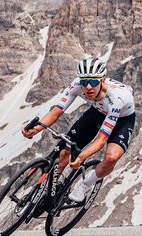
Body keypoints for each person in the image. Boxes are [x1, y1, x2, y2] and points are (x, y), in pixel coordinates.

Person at [21, 57, 135, 202]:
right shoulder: (76, 85)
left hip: (122, 120)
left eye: (93, 82)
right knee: (64, 152)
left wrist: (80, 158)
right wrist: (35, 129)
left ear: (102, 80)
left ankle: (85, 185)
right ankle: (45, 190)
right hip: (97, 113)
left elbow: (100, 141)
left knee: (111, 157)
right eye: (84, 81)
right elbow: (56, 112)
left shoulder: (117, 98)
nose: (88, 87)